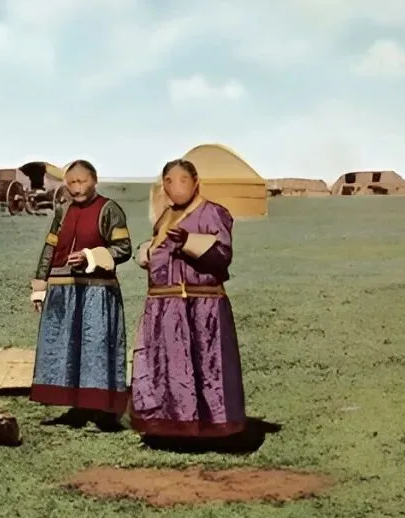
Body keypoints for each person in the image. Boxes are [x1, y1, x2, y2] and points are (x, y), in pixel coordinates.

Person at [130, 159, 246, 439]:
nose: (176, 187)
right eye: (169, 181)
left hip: (201, 305)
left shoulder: (213, 213)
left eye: (183, 180)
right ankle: (172, 426)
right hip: (164, 305)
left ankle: (209, 427)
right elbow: (156, 254)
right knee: (166, 367)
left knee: (206, 366)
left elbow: (222, 256)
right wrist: (147, 252)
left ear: (196, 183)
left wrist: (188, 242)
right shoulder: (165, 217)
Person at [30, 159, 132, 431]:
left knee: (95, 346)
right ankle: (75, 408)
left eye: (82, 181)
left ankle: (102, 410)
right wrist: (40, 286)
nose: (76, 187)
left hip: (97, 291)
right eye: (71, 182)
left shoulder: (109, 209)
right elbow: (49, 249)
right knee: (66, 346)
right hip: (62, 290)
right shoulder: (62, 211)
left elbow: (123, 248)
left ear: (94, 180)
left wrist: (90, 256)